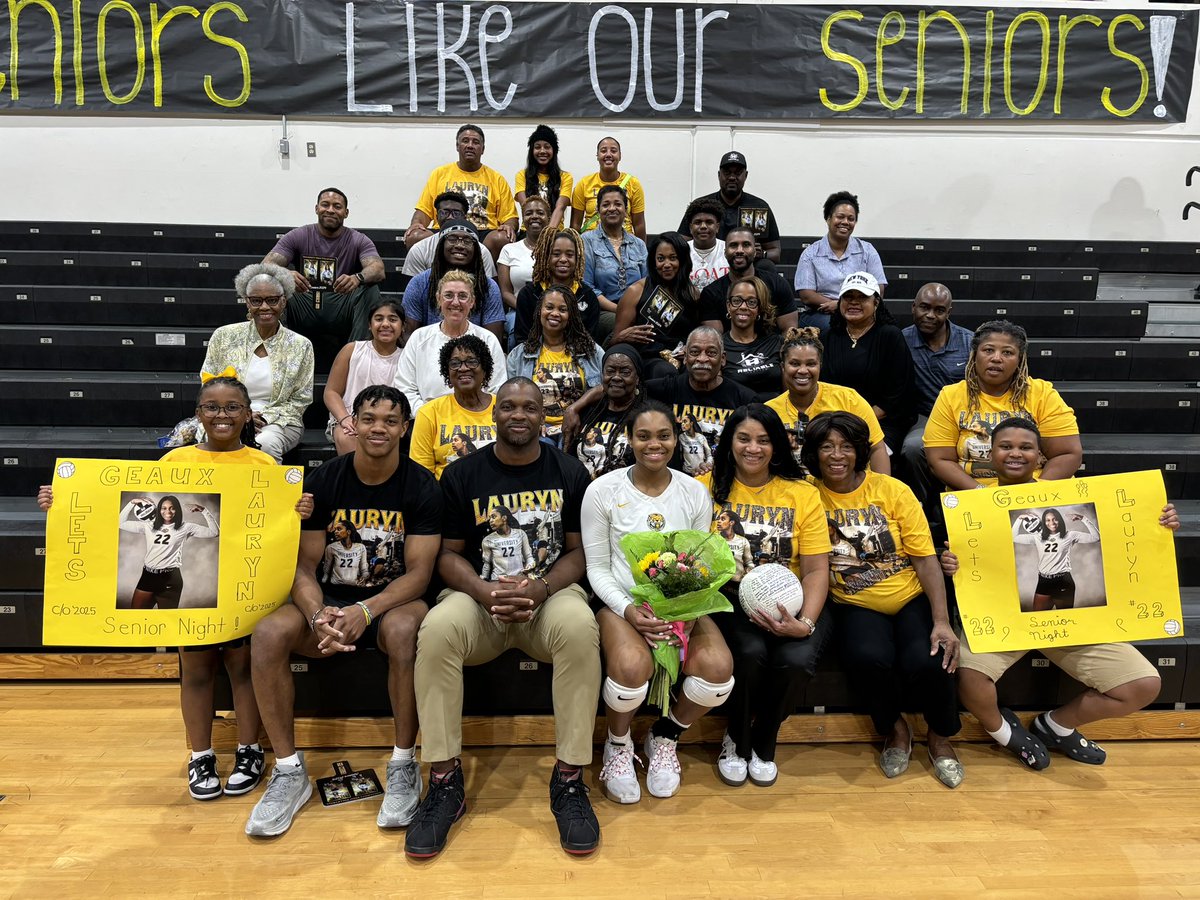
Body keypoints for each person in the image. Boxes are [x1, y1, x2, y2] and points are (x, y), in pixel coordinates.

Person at [40, 376, 313, 802]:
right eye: (212, 407)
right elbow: (116, 506)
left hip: (240, 586)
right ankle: (200, 753)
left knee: (243, 669)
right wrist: (64, 501)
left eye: (231, 407)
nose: (221, 415)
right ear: (198, 413)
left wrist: (299, 508)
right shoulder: (175, 462)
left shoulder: (264, 466)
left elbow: (273, 526)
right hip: (185, 585)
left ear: (248, 414)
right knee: (197, 669)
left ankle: (248, 749)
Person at [408, 378, 601, 858]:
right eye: (509, 406)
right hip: (481, 600)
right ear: (494, 413)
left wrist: (543, 588)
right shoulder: (461, 475)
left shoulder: (569, 470)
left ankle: (570, 779)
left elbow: (579, 555)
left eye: (530, 408)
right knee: (436, 630)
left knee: (580, 627)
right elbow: (448, 556)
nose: (519, 415)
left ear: (543, 417)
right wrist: (482, 589)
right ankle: (445, 782)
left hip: (547, 599)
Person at [246, 385, 442, 837]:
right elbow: (303, 566)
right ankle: (290, 771)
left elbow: (418, 574)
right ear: (351, 423)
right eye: (369, 418)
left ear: (404, 428)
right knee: (270, 632)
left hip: (387, 603)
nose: (379, 428)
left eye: (390, 421)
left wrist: (365, 611)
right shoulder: (324, 480)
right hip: (329, 603)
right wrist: (318, 615)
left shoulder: (421, 485)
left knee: (408, 628)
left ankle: (402, 762)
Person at [940, 417, 1171, 769]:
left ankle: (1057, 725)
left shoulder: (1072, 497)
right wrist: (953, 563)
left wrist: (1158, 522)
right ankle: (1005, 733)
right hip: (1006, 615)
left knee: (1142, 685)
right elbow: (972, 562)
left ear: (1041, 456)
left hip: (1070, 613)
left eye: (1025, 447)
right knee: (969, 676)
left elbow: (1123, 531)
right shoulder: (973, 508)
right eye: (1006, 446)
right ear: (990, 454)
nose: (1015, 454)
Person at [581, 401, 734, 802]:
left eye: (664, 435)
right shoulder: (602, 490)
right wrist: (631, 610)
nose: (654, 444)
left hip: (682, 606)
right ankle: (618, 744)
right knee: (632, 665)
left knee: (719, 671)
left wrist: (680, 610)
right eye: (643, 436)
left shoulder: (693, 493)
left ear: (676, 438)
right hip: (622, 604)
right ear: (629, 439)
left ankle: (665, 737)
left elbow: (701, 562)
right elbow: (596, 569)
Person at [804, 411, 963, 788]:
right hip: (855, 602)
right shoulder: (808, 495)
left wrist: (942, 620)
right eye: (826, 446)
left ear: (861, 450)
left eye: (846, 446)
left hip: (909, 593)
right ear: (814, 453)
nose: (837, 455)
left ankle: (940, 737)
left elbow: (925, 559)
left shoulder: (893, 490)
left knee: (928, 656)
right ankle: (895, 730)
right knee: (867, 657)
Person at [699, 404, 831, 787]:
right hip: (729, 598)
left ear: (777, 446)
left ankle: (765, 736)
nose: (753, 448)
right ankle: (736, 737)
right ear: (729, 442)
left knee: (796, 659)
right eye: (743, 438)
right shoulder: (705, 486)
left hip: (792, 599)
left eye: (763, 440)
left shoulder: (802, 493)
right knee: (751, 653)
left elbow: (817, 569)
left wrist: (803, 623)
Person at [924, 319, 1082, 489]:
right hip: (973, 494)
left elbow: (1068, 453)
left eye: (1007, 353)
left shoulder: (1042, 394)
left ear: (1019, 360)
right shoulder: (951, 396)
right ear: (974, 355)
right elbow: (939, 459)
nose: (996, 358)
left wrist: (1033, 493)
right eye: (988, 350)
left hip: (1038, 491)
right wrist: (984, 495)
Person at [201, 263, 314, 463]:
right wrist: (238, 415)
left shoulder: (301, 345)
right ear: (247, 302)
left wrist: (261, 419)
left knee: (265, 444)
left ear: (284, 301)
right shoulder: (224, 336)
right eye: (256, 300)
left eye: (272, 300)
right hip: (225, 414)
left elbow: (300, 400)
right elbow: (208, 385)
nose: (264, 307)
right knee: (208, 440)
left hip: (279, 421)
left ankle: (264, 495)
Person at [262, 188, 384, 369]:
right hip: (304, 300)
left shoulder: (358, 240)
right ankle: (278, 358)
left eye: (337, 206)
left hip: (341, 302)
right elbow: (265, 265)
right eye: (325, 205)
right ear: (317, 208)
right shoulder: (299, 235)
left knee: (370, 289)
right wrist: (286, 273)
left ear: (346, 213)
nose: (331, 210)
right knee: (275, 283)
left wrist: (357, 277)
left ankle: (356, 360)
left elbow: (378, 269)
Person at [764, 327, 890, 474]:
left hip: (846, 488)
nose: (803, 370)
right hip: (791, 490)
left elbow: (876, 448)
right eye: (795, 363)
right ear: (782, 367)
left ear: (820, 366)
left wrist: (882, 490)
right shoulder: (769, 412)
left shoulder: (848, 399)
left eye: (811, 364)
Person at [821, 272, 916, 454]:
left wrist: (856, 421)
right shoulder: (828, 337)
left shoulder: (890, 336)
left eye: (862, 297)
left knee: (860, 453)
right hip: (833, 421)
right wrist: (837, 422)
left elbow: (898, 395)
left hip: (881, 422)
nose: (854, 302)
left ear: (876, 302)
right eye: (848, 297)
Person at [644, 327, 756, 475]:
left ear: (723, 359)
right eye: (695, 352)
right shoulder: (662, 390)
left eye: (711, 353)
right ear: (684, 357)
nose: (702, 359)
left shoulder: (744, 399)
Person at [395, 270, 507, 417]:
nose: (455, 302)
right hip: (428, 419)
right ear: (438, 299)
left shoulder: (488, 340)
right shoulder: (419, 338)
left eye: (462, 296)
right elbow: (405, 387)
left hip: (476, 420)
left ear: (472, 301)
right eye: (448, 295)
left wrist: (475, 414)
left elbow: (496, 389)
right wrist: (427, 415)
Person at [900, 283, 973, 505]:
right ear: (913, 308)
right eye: (924, 307)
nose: (930, 315)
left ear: (948, 312)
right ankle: (921, 509)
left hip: (964, 415)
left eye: (939, 310)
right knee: (913, 448)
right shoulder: (901, 340)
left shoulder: (970, 342)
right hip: (925, 415)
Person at [406, 123, 517, 261]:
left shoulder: (497, 179)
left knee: (503, 237)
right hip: (444, 230)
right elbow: (423, 211)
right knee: (415, 235)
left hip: (482, 233)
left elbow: (510, 217)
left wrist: (509, 226)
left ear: (482, 149)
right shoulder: (439, 174)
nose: (470, 145)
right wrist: (416, 223)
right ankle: (427, 281)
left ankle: (484, 279)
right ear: (457, 146)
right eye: (465, 141)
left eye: (475, 142)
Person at [507, 284, 603, 441]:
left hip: (581, 425)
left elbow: (606, 386)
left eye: (563, 310)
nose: (555, 313)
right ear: (539, 311)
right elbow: (510, 398)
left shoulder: (590, 351)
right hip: (539, 431)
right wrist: (531, 421)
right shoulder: (519, 355)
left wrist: (574, 409)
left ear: (571, 315)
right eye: (549, 307)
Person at [610, 231, 701, 379]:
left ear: (683, 261)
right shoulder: (635, 291)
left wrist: (689, 349)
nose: (666, 264)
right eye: (660, 259)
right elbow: (614, 341)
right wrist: (623, 336)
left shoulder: (693, 294)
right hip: (648, 357)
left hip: (683, 356)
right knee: (665, 372)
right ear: (653, 261)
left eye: (673, 258)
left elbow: (697, 334)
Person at [793, 191, 887, 330]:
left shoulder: (867, 250)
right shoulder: (810, 254)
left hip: (861, 309)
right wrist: (838, 307)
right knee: (833, 326)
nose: (845, 222)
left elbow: (878, 288)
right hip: (823, 312)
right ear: (828, 218)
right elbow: (807, 295)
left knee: (888, 330)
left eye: (851, 218)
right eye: (840, 217)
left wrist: (842, 305)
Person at [324, 295, 404, 455]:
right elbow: (331, 392)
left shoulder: (407, 357)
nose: (385, 324)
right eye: (379, 319)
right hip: (350, 420)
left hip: (389, 423)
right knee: (349, 438)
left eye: (393, 319)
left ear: (403, 327)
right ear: (369, 325)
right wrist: (345, 419)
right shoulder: (351, 350)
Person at [401, 223, 505, 345]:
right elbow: (408, 336)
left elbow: (493, 340)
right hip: (427, 354)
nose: (460, 245)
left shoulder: (488, 286)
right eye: (452, 239)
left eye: (467, 241)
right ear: (441, 245)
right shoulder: (419, 283)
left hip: (474, 358)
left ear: (476, 248)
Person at [409, 334, 497, 478]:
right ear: (447, 373)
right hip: (446, 496)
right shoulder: (429, 412)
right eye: (455, 363)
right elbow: (421, 476)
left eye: (472, 362)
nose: (463, 368)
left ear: (485, 369)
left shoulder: (503, 407)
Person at [676, 151, 781, 264]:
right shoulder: (702, 206)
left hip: (748, 268)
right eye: (727, 172)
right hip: (708, 266)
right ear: (718, 175)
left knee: (766, 265)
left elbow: (775, 252)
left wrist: (762, 254)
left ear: (745, 176)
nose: (732, 177)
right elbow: (680, 245)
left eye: (737, 173)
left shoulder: (759, 207)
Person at [564, 344, 645, 478]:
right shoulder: (588, 410)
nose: (616, 377)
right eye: (610, 371)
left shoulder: (646, 415)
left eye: (625, 372)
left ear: (637, 378)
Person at [699, 226, 798, 334]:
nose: (739, 250)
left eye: (746, 245)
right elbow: (715, 341)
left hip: (771, 349)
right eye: (733, 245)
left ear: (755, 252)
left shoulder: (777, 284)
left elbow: (789, 333)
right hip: (729, 349)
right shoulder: (711, 292)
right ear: (725, 253)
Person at [514, 226, 602, 344]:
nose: (563, 259)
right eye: (556, 254)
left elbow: (591, 341)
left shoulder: (587, 296)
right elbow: (522, 338)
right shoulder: (529, 294)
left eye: (570, 255)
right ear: (545, 257)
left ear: (578, 258)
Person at [581, 184, 648, 324]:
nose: (612, 208)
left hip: (637, 310)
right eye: (606, 205)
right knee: (621, 325)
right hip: (603, 311)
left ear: (626, 210)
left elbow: (648, 284)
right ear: (598, 210)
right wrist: (620, 310)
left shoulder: (639, 244)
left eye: (618, 204)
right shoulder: (586, 241)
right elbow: (587, 287)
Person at [402, 190, 497, 280]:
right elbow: (413, 290)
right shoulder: (420, 249)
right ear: (436, 216)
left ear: (464, 217)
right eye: (444, 212)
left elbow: (488, 288)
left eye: (456, 213)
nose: (450, 217)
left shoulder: (482, 251)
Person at [497, 196, 551, 345]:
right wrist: (529, 309)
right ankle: (517, 366)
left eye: (540, 213)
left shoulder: (558, 249)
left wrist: (546, 310)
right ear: (523, 219)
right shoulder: (509, 250)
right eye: (529, 213)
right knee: (516, 324)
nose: (534, 216)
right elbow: (506, 293)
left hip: (553, 310)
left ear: (549, 217)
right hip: (517, 310)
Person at [571, 136, 647, 240]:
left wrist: (642, 253)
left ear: (620, 156)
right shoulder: (584, 184)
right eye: (603, 151)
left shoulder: (633, 184)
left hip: (625, 244)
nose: (608, 154)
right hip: (591, 244)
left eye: (613, 151)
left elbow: (639, 225)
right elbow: (575, 225)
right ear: (597, 156)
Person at [721, 277, 782, 401]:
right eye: (737, 301)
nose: (743, 307)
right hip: (738, 415)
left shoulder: (776, 342)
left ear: (759, 308)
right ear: (728, 306)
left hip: (775, 414)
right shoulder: (719, 346)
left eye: (751, 302)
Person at [515, 124, 574, 231]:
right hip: (528, 231)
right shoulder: (521, 175)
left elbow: (560, 207)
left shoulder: (565, 177)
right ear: (532, 151)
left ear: (554, 151)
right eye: (537, 147)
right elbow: (525, 206)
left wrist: (548, 234)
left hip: (555, 231)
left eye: (547, 147)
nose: (542, 151)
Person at [682, 197, 728, 291]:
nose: (703, 226)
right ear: (690, 228)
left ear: (717, 227)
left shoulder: (729, 249)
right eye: (698, 222)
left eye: (709, 222)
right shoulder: (681, 251)